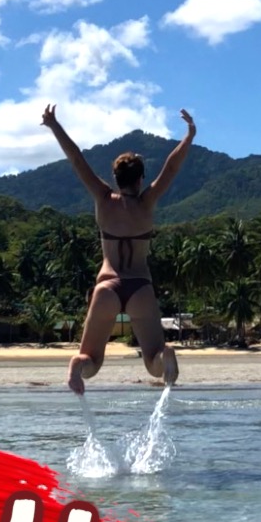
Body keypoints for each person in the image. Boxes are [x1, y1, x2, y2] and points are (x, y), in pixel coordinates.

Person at [41, 104, 196, 394]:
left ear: (115, 178)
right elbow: (172, 167)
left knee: (92, 360)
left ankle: (76, 365)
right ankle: (165, 355)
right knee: (152, 360)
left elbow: (76, 159)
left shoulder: (103, 198)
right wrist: (188, 136)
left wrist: (54, 125)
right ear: (140, 179)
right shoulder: (147, 202)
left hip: (107, 286)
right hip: (140, 287)